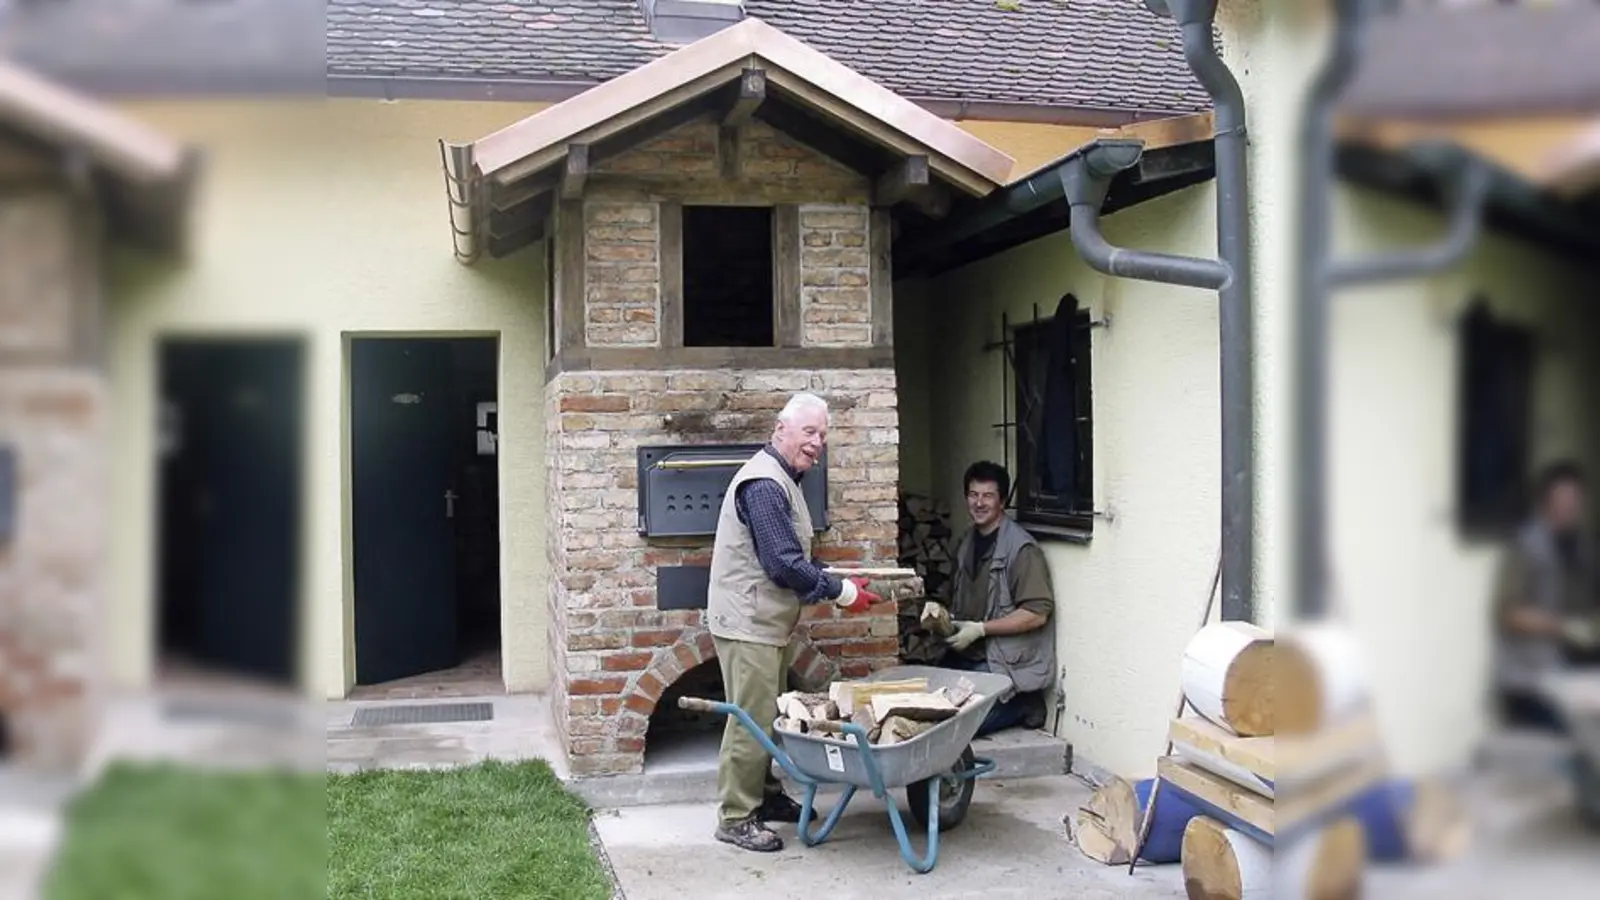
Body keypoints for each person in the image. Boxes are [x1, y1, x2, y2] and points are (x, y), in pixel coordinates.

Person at [705, 391, 881, 853]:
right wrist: (842, 592)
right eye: (809, 432)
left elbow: (794, 555)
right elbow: (783, 564)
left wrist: (833, 577)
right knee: (750, 719)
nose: (817, 442)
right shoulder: (764, 484)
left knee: (765, 714)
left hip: (762, 622)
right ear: (780, 430)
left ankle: (763, 797)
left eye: (822, 435)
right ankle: (736, 816)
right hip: (748, 622)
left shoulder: (783, 478)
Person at [925, 460, 1056, 737]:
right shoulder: (966, 543)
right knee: (927, 705)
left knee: (958, 726)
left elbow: (1037, 612)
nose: (979, 503)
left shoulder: (1022, 550)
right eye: (973, 495)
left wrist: (982, 629)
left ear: (1002, 502)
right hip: (969, 657)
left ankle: (1024, 704)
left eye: (988, 496)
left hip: (1004, 663)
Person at [1491, 460, 1600, 733]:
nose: (1569, 507)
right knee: (1571, 743)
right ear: (1545, 501)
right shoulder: (1525, 545)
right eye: (1562, 499)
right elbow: (1510, 615)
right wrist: (1564, 627)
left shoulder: (1582, 546)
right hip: (1529, 679)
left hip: (1569, 673)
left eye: (1575, 499)